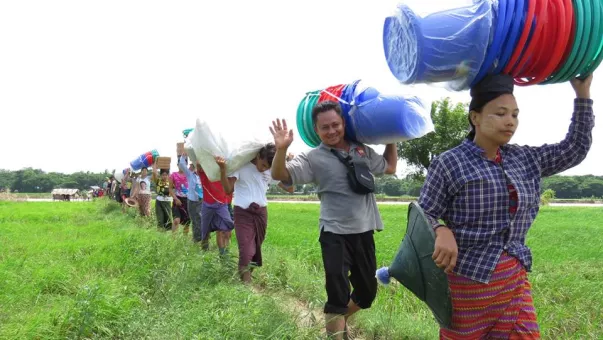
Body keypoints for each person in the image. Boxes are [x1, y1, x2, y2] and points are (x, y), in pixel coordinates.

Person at [418, 74, 594, 339]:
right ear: (475, 117)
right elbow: (425, 212)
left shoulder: (525, 159)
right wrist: (441, 230)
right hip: (467, 284)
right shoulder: (449, 163)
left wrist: (583, 94)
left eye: (515, 114)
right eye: (500, 113)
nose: (510, 121)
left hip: (513, 280)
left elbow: (575, 148)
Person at [270, 100, 397, 339]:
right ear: (316, 131)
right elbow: (280, 174)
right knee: (337, 295)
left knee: (367, 293)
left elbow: (389, 167)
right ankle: (336, 329)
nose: (331, 131)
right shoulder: (313, 158)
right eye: (324, 127)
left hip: (364, 230)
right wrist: (281, 149)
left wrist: (392, 136)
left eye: (335, 125)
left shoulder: (362, 150)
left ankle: (338, 322)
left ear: (343, 123)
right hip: (334, 233)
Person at [216, 144, 293, 283]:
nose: (263, 169)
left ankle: (245, 277)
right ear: (258, 156)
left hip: (261, 214)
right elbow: (228, 189)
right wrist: (222, 170)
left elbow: (290, 188)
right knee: (246, 250)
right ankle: (247, 287)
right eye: (262, 164)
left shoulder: (270, 171)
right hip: (242, 213)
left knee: (255, 249)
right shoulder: (241, 166)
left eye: (267, 167)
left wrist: (287, 165)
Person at [196, 161, 235, 254]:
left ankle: (224, 255)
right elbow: (198, 164)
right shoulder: (205, 172)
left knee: (225, 230)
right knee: (205, 233)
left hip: (222, 205)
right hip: (207, 206)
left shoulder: (225, 174)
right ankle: (204, 253)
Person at [178, 155, 204, 243]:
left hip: (201, 200)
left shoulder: (203, 176)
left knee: (200, 219)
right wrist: (184, 155)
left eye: (193, 165)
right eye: (192, 165)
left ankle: (202, 239)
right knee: (194, 219)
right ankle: (196, 239)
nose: (191, 166)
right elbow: (181, 164)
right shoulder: (190, 174)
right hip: (192, 200)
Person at [152, 162, 174, 230]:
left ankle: (167, 233)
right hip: (159, 202)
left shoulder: (170, 182)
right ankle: (160, 232)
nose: (164, 176)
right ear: (161, 175)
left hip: (167, 202)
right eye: (163, 175)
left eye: (166, 175)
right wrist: (154, 166)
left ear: (168, 175)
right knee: (160, 218)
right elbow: (154, 174)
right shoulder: (158, 181)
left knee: (168, 218)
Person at [170, 158, 190, 234]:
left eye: (184, 164)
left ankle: (184, 241)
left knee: (187, 223)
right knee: (176, 220)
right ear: (177, 165)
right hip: (177, 199)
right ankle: (173, 240)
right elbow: (170, 189)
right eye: (180, 164)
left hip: (188, 200)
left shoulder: (190, 175)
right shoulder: (173, 175)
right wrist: (175, 199)